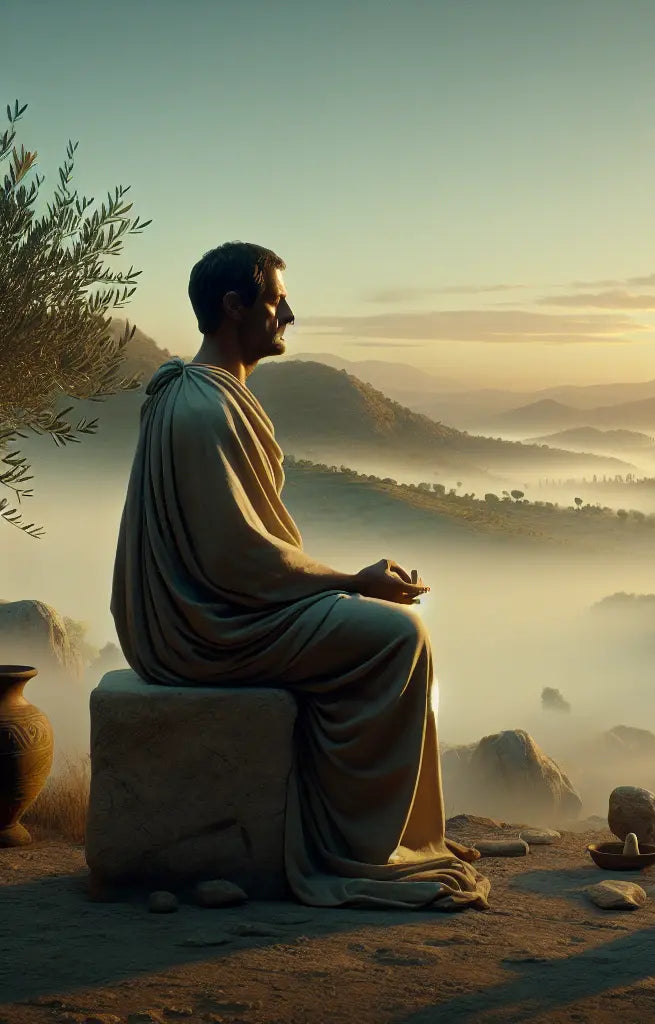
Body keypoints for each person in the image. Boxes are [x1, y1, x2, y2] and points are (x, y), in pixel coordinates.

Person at [110, 240, 489, 910]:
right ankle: (361, 845)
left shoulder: (201, 395)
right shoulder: (200, 409)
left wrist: (348, 584)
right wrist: (354, 580)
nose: (289, 317)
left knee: (393, 626)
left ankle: (395, 828)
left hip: (217, 609)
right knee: (398, 636)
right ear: (235, 306)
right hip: (210, 627)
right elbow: (237, 560)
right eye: (278, 304)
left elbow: (240, 553)